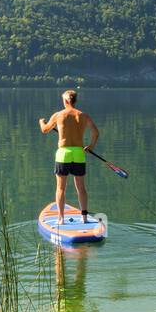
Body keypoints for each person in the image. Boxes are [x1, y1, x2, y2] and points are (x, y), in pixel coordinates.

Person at [39, 89, 100, 223]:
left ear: (66, 101)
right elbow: (95, 133)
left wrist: (41, 122)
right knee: (81, 188)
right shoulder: (83, 115)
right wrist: (90, 146)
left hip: (63, 154)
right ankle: (84, 218)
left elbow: (45, 130)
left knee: (60, 188)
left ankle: (61, 219)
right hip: (79, 154)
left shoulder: (58, 115)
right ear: (75, 100)